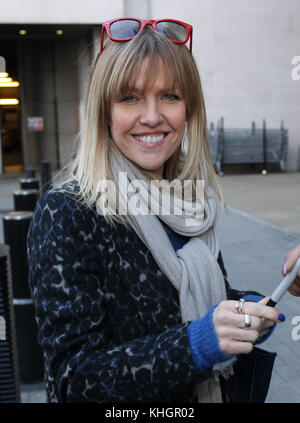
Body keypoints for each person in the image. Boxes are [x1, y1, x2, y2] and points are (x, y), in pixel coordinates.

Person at [27, 18, 285, 403]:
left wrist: (251, 309)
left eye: (169, 96)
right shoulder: (67, 213)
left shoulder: (189, 201)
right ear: (104, 112)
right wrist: (195, 345)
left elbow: (204, 298)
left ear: (189, 109)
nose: (151, 116)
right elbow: (74, 380)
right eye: (130, 97)